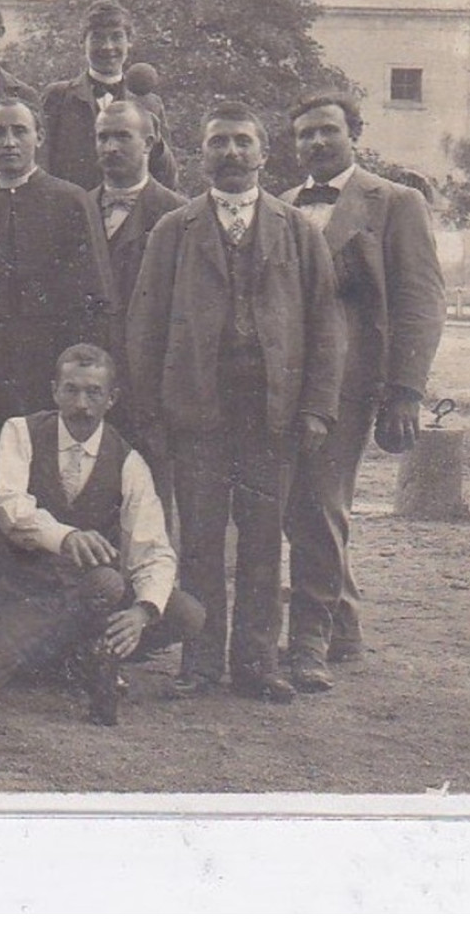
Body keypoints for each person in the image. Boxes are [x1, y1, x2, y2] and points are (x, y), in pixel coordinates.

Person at [127, 101, 345, 703]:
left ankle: (255, 663)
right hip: (197, 415)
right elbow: (145, 326)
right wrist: (150, 413)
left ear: (263, 154)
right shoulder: (175, 230)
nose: (230, 153)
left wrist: (316, 409)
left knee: (261, 541)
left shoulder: (297, 230)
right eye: (218, 142)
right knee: (197, 540)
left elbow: (326, 327)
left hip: (271, 416)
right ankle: (198, 663)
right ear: (202, 155)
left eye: (242, 142)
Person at [280, 89, 446, 689]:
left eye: (329, 130)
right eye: (306, 134)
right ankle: (343, 622)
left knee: (320, 503)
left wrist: (404, 391)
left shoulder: (395, 202)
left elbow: (420, 299)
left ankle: (311, 639)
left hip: (351, 383)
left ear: (354, 133)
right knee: (302, 506)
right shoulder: (279, 205)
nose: (318, 142)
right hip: (283, 385)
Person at [0, 345, 205, 722]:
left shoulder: (129, 461)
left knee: (185, 613)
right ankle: (65, 660)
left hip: (89, 591)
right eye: (71, 390)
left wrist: (142, 612)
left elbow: (153, 548)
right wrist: (65, 537)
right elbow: (7, 504)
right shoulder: (20, 432)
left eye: (94, 393)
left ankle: (82, 655)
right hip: (26, 586)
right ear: (54, 391)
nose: (81, 404)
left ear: (112, 399)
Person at [0, 97, 111, 504]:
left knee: (45, 483)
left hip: (48, 369)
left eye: (19, 131)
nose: (9, 142)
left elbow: (94, 298)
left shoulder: (71, 201)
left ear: (39, 138)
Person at [76, 99, 187, 459]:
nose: (110, 148)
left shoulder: (180, 215)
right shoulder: (75, 209)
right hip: (86, 388)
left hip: (151, 391)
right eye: (102, 137)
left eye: (123, 137)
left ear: (150, 142)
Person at [39, 0, 177, 192]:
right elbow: (41, 165)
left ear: (129, 42)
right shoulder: (58, 97)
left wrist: (154, 133)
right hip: (71, 212)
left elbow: (168, 180)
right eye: (97, 37)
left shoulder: (150, 104)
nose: (107, 46)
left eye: (116, 37)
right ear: (82, 42)